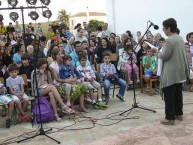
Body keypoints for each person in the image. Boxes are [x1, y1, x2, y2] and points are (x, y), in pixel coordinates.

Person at [151, 18, 189, 125]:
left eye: (164, 28)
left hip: (171, 72)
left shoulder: (169, 40)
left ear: (168, 29)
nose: (163, 30)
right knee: (178, 94)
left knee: (169, 95)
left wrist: (156, 52)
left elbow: (164, 56)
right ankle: (178, 114)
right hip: (179, 71)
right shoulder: (180, 38)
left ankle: (170, 118)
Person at [49, 48, 88, 112]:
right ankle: (70, 106)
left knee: (82, 85)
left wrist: (75, 78)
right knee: (74, 88)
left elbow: (74, 70)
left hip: (70, 80)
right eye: (59, 54)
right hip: (59, 84)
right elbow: (56, 79)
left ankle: (81, 105)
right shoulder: (53, 66)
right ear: (54, 56)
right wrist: (67, 81)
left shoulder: (65, 61)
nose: (61, 55)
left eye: (61, 53)